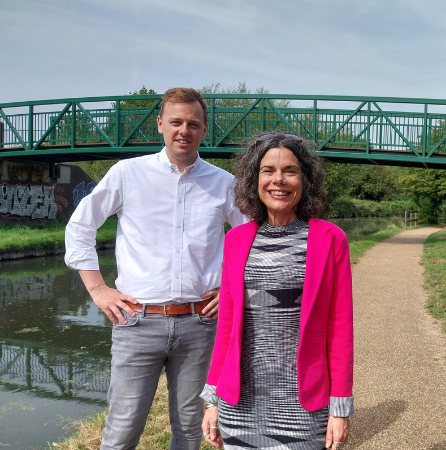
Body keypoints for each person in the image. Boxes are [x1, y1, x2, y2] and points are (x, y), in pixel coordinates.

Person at [64, 87, 247, 450]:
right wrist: (98, 290)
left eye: (193, 123)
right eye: (176, 122)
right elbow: (80, 226)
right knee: (122, 428)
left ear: (204, 130)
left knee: (190, 428)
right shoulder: (127, 174)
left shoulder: (224, 183)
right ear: (160, 125)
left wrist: (232, 289)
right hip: (136, 321)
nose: (184, 130)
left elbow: (251, 239)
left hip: (200, 322)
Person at [200, 132, 354, 450]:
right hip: (240, 404)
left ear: (305, 179)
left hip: (304, 405)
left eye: (290, 171)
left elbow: (340, 331)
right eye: (268, 170)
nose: (278, 180)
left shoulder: (330, 239)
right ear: (254, 179)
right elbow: (226, 328)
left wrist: (339, 407)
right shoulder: (236, 240)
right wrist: (212, 398)